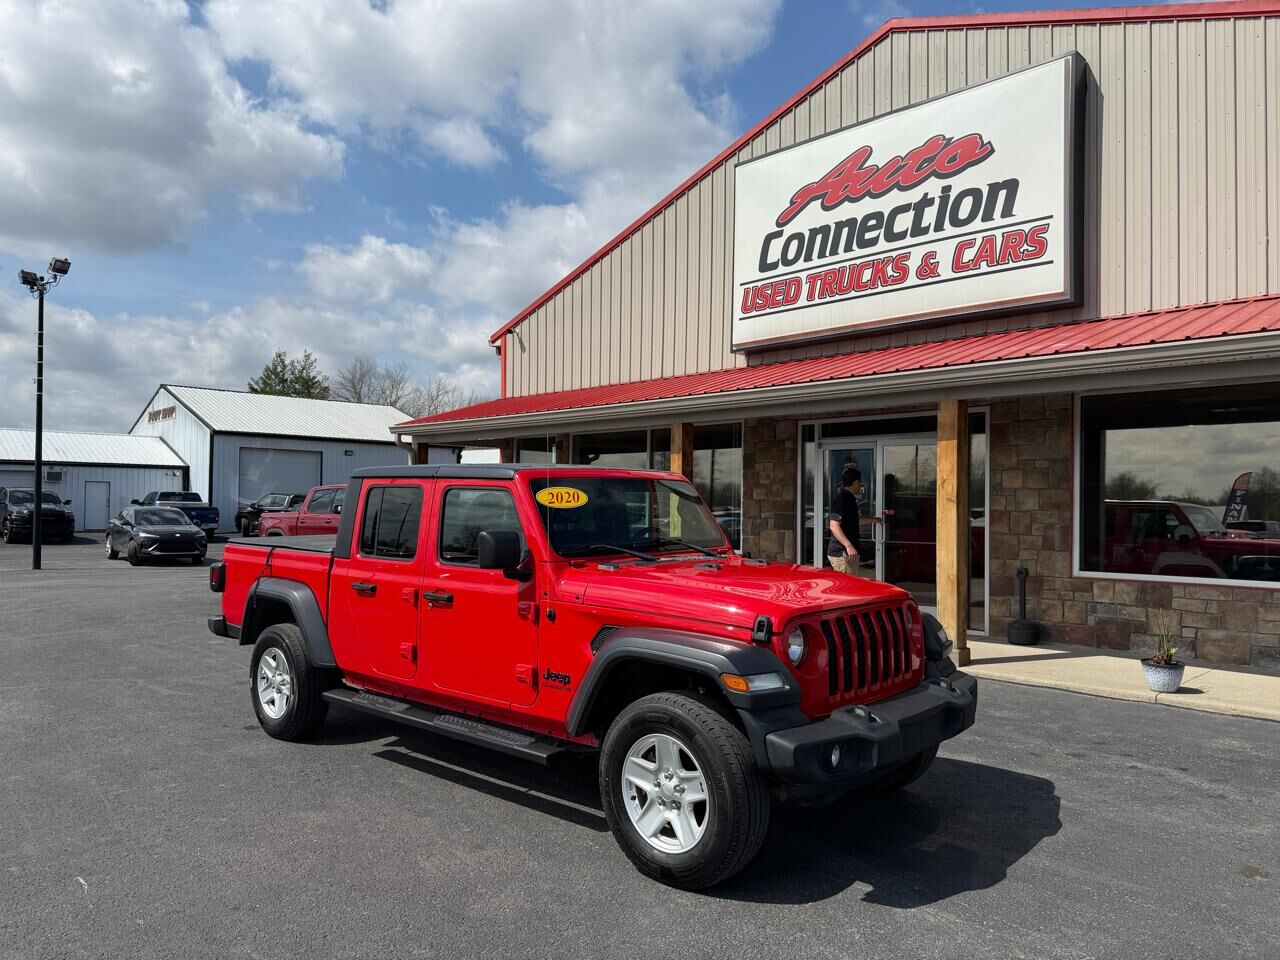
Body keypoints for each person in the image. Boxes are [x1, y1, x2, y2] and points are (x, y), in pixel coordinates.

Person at [827, 466, 880, 574]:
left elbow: (853, 520)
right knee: (847, 589)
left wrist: (873, 520)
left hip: (847, 553)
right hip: (842, 554)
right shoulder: (842, 499)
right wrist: (848, 546)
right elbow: (834, 525)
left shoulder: (849, 498)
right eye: (860, 483)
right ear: (855, 482)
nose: (861, 486)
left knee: (849, 587)